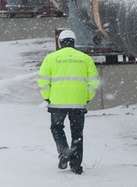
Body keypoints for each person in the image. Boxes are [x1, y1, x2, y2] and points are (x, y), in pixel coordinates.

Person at [37, 29, 100, 174]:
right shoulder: (85, 59)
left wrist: (47, 97)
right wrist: (86, 98)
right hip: (78, 103)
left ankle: (64, 150)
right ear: (73, 42)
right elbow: (93, 82)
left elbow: (43, 81)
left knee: (56, 127)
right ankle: (76, 166)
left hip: (57, 103)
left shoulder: (51, 58)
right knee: (77, 133)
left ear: (60, 43)